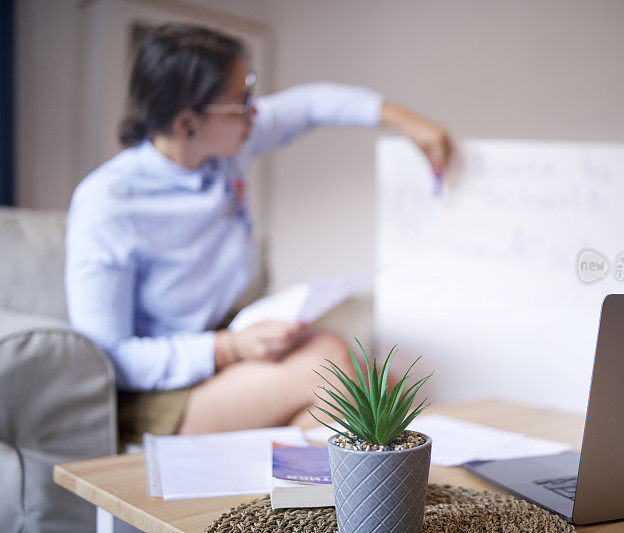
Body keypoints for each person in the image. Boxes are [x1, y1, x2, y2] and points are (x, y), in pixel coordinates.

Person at [65, 24, 452, 441]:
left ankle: (288, 483)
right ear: (185, 123)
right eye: (240, 102)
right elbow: (106, 357)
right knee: (338, 366)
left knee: (384, 386)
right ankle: (290, 485)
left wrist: (407, 121)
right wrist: (229, 348)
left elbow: (309, 105)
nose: (255, 112)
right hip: (157, 391)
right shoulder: (109, 203)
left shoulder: (221, 148)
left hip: (223, 346)